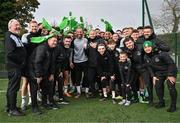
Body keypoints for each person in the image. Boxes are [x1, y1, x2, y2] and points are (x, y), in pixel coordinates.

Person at [27, 35, 58, 115]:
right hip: (34, 71)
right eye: (53, 41)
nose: (55, 42)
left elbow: (52, 62)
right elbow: (37, 62)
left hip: (44, 71)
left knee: (45, 87)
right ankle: (34, 107)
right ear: (48, 40)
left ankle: (44, 104)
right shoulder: (42, 48)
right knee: (34, 90)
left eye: (56, 41)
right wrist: (38, 75)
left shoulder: (52, 49)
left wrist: (51, 73)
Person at [143, 41, 177, 112]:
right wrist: (153, 76)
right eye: (145, 47)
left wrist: (170, 75)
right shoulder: (145, 56)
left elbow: (171, 63)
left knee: (171, 86)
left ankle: (173, 106)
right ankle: (161, 102)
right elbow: (149, 67)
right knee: (157, 86)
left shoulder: (161, 53)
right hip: (159, 73)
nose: (147, 49)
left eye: (149, 46)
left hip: (169, 70)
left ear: (152, 47)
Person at [5, 19, 27, 116]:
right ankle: (12, 109)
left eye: (19, 25)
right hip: (14, 67)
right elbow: (10, 54)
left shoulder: (15, 36)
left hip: (16, 67)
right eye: (16, 25)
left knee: (12, 87)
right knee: (13, 88)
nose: (18, 26)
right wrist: (21, 62)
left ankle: (10, 106)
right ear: (10, 27)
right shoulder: (9, 36)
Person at [21, 20, 42, 111]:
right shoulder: (25, 36)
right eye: (32, 26)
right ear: (29, 27)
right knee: (25, 82)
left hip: (36, 64)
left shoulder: (40, 36)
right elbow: (23, 49)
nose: (34, 28)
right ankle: (23, 102)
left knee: (35, 83)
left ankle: (32, 101)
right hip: (26, 64)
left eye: (35, 26)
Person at [70, 27, 88, 98]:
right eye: (78, 32)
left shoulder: (86, 40)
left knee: (86, 77)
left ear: (83, 32)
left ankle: (86, 91)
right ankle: (78, 92)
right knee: (78, 77)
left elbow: (87, 50)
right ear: (76, 33)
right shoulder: (73, 41)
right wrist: (71, 62)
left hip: (85, 60)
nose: (79, 33)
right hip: (76, 61)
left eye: (81, 32)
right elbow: (71, 52)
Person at [54, 36, 72, 104]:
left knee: (60, 82)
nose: (68, 43)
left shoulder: (69, 50)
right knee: (52, 84)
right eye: (66, 41)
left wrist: (62, 70)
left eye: (69, 42)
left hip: (61, 69)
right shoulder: (58, 47)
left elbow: (65, 62)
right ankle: (51, 99)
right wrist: (59, 70)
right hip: (54, 69)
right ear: (63, 41)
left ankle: (61, 98)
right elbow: (55, 60)